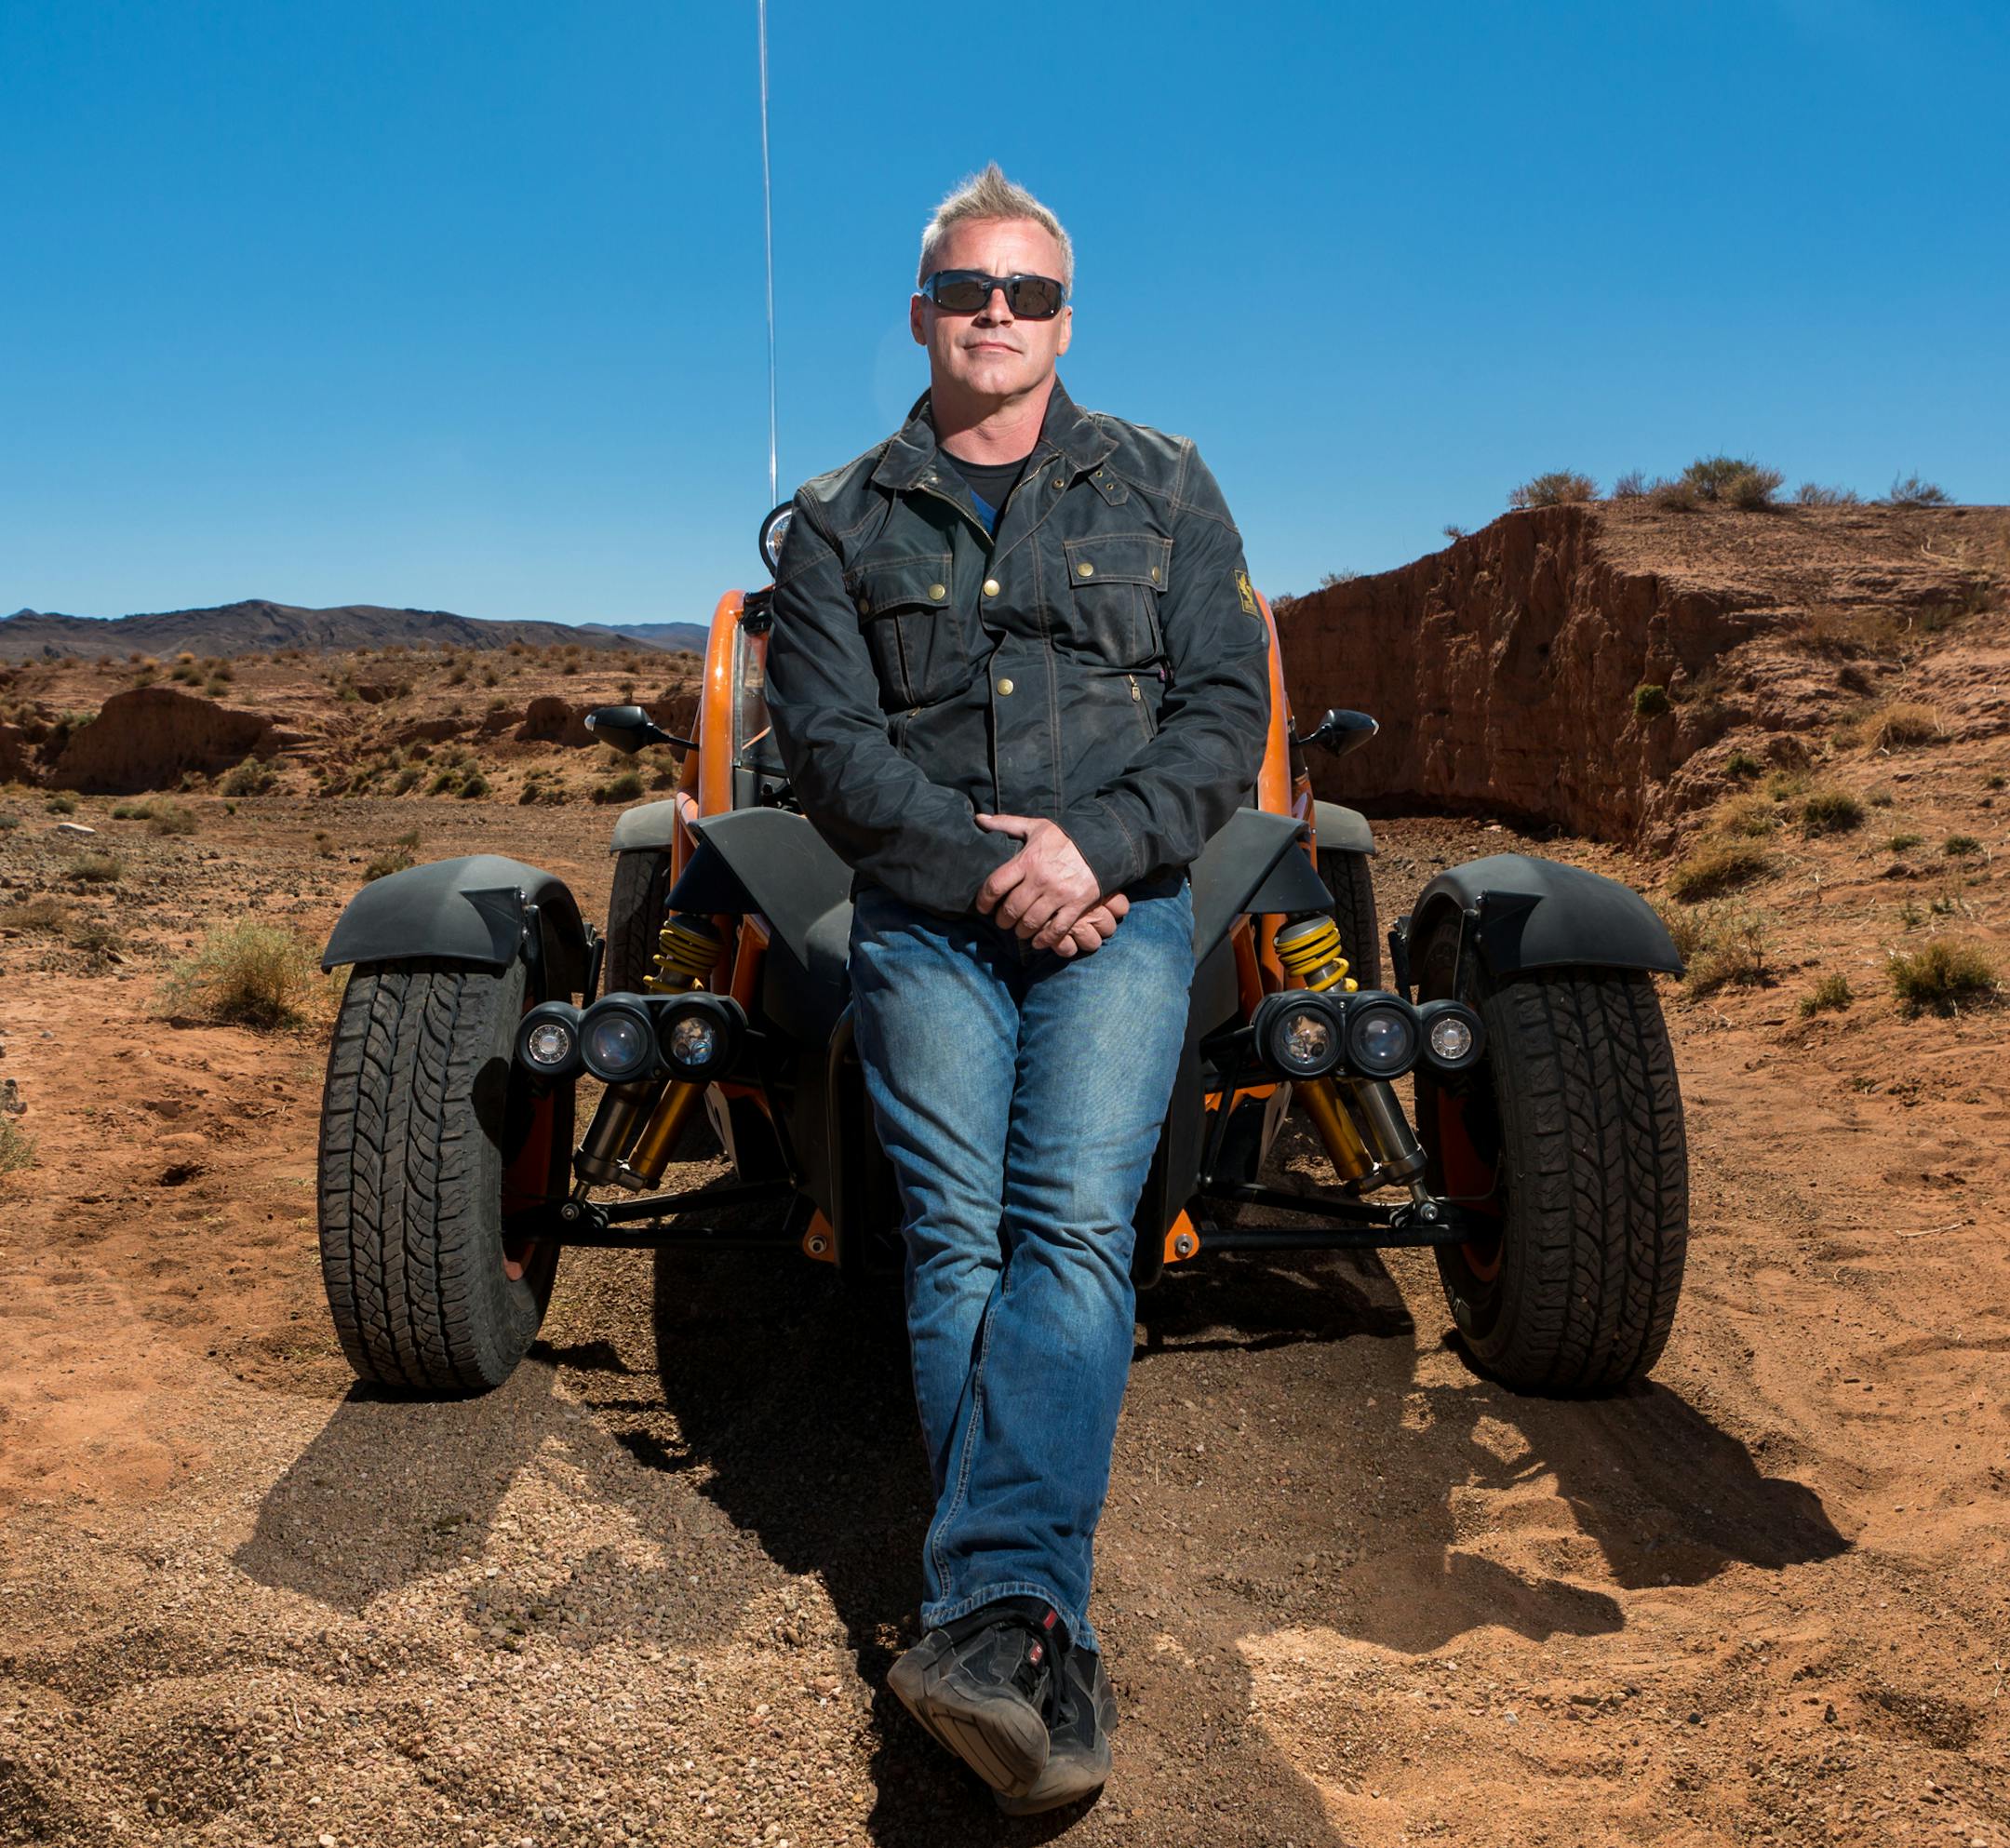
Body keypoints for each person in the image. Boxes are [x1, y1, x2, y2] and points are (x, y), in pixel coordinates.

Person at [763, 163, 1271, 1815]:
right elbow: (830, 753)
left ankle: (994, 1613)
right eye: (971, 292)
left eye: (1029, 295)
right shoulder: (840, 522)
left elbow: (1219, 707)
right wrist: (994, 868)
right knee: (957, 1231)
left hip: (1119, 906)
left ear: (1067, 317)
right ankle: (1030, 1623)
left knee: (1067, 1222)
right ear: (922, 314)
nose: (1000, 317)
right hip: (930, 914)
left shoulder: (1170, 486)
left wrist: (1094, 852)